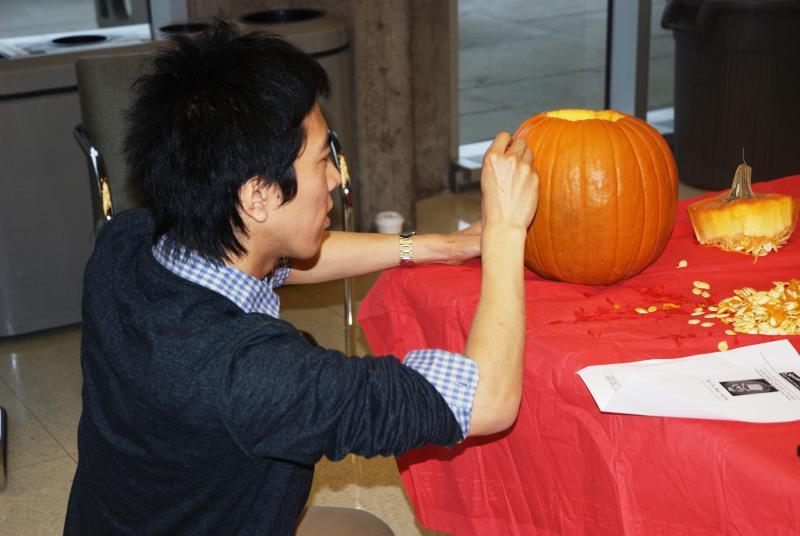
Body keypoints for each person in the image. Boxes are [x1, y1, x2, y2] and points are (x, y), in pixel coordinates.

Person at [64, 20, 539, 536]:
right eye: (321, 160)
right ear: (258, 195)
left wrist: (440, 246)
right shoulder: (254, 375)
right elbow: (488, 400)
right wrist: (507, 231)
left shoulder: (127, 244)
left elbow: (277, 260)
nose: (334, 178)